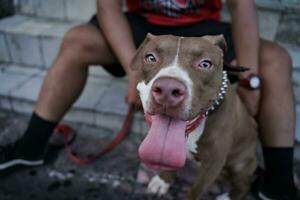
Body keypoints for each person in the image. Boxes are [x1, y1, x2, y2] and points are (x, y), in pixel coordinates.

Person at [0, 0, 297, 199]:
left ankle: (279, 181)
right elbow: (107, 6)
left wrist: (251, 79)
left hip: (201, 30)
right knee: (77, 40)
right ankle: (31, 146)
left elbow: (242, 7)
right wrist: (137, 75)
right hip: (143, 27)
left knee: (276, 59)